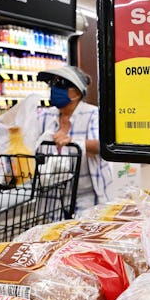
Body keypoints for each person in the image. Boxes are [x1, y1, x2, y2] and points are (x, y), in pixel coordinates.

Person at [38, 65, 112, 214]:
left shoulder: (92, 114)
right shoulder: (46, 115)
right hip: (54, 197)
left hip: (87, 196)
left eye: (60, 84)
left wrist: (73, 142)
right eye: (52, 84)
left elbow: (102, 145)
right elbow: (26, 139)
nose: (54, 89)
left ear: (77, 92)